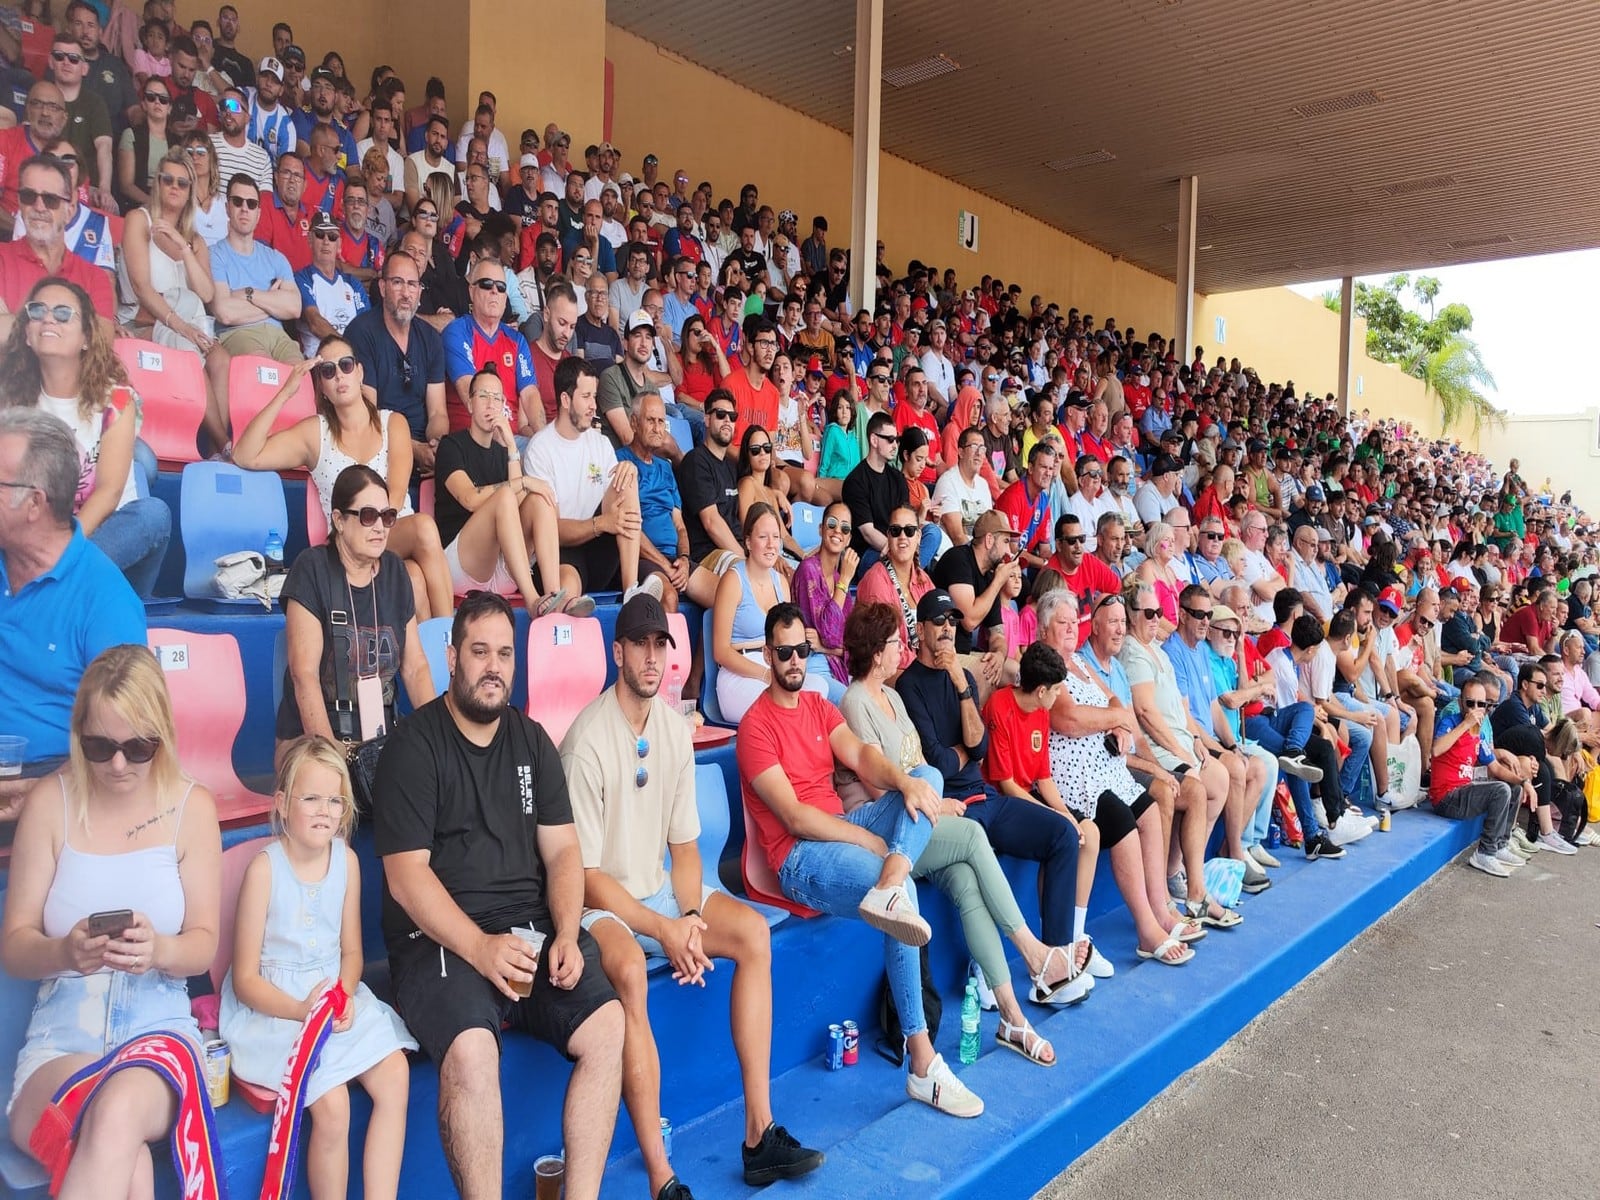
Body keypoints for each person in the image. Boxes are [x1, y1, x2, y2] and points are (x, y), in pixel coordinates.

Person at [560, 595, 824, 1196]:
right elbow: (588, 877)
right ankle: (662, 1175)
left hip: (657, 892)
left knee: (754, 935)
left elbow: (684, 848)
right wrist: (664, 932)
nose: (653, 658)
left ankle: (760, 1133)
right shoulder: (585, 742)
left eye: (662, 646)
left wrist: (687, 917)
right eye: (641, 645)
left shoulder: (675, 730)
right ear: (617, 651)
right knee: (627, 969)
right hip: (601, 904)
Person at [373, 592, 625, 1200]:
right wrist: (481, 949)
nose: (493, 666)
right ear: (452, 656)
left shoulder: (531, 740)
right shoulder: (413, 746)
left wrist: (566, 930)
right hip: (440, 940)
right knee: (472, 1053)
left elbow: (564, 853)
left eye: (504, 654)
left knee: (608, 1024)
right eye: (479, 651)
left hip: (531, 931)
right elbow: (406, 878)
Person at [738, 601, 984, 1117]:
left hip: (845, 830)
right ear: (767, 654)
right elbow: (796, 820)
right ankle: (922, 1063)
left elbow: (863, 757)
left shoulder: (819, 707)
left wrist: (903, 780)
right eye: (783, 652)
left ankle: (892, 878)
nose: (795, 661)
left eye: (802, 650)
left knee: (930, 781)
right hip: (800, 859)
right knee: (903, 895)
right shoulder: (755, 728)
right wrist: (876, 847)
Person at [1, 645, 221, 1194]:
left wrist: (159, 950)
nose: (118, 765)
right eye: (100, 747)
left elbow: (203, 944)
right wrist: (64, 954)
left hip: (158, 1026)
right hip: (60, 1035)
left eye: (137, 747)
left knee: (117, 1113)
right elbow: (15, 945)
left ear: (161, 736)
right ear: (79, 736)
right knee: (128, 1162)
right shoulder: (52, 803)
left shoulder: (192, 809)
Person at [840, 600, 1082, 1059]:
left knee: (969, 882)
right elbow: (879, 782)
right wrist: (938, 801)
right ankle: (1034, 953)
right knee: (972, 835)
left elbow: (946, 758)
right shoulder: (855, 701)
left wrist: (938, 794)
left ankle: (1013, 1017)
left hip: (924, 813)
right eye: (895, 644)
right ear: (876, 652)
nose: (902, 650)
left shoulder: (891, 697)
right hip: (893, 828)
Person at [219, 735, 414, 1200]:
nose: (325, 810)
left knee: (395, 1075)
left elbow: (351, 955)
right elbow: (245, 979)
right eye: (311, 798)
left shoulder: (346, 861)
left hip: (330, 995)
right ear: (283, 804)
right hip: (276, 1010)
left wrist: (343, 994)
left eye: (334, 800)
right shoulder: (264, 871)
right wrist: (300, 1010)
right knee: (332, 1102)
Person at [233, 337, 454, 622]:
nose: (339, 375)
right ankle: (451, 640)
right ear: (322, 386)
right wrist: (286, 392)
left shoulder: (392, 422)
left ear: (360, 372)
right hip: (348, 542)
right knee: (424, 527)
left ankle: (440, 652)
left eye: (346, 365)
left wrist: (380, 531)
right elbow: (245, 455)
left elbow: (395, 498)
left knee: (414, 577)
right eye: (328, 370)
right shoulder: (315, 433)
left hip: (393, 531)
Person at [1035, 590, 1199, 965]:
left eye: (1070, 622)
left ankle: (1160, 908)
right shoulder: (1045, 665)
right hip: (1072, 776)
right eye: (1060, 623)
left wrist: (1121, 726)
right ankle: (1146, 928)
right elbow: (1068, 720)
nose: (1067, 630)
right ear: (1044, 628)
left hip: (1104, 767)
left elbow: (1114, 702)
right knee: (1124, 822)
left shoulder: (1080, 662)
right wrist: (1116, 721)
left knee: (1149, 808)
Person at [0, 407, 146, 814]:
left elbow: (128, 737)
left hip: (54, 785)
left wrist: (46, 790)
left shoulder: (105, 600)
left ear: (34, 503)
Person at [0, 277, 171, 598]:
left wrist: (60, 558)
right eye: (37, 311)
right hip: (33, 542)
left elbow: (108, 494)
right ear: (25, 332)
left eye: (64, 313)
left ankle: (54, 590)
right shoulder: (10, 401)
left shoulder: (117, 400)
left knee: (153, 515)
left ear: (85, 338)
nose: (48, 318)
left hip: (102, 542)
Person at [275, 464, 435, 762]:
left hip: (380, 744)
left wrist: (442, 739)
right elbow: (304, 676)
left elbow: (415, 668)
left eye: (387, 517)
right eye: (367, 515)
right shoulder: (312, 568)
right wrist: (333, 757)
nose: (379, 527)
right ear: (339, 520)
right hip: (314, 743)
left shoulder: (396, 572)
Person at [434, 367, 586, 617]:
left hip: (503, 568)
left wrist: (512, 447)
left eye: (496, 398)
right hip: (461, 566)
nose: (490, 405)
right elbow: (470, 499)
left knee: (539, 499)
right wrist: (523, 482)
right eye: (483, 396)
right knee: (506, 495)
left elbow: (514, 510)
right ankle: (532, 600)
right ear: (470, 403)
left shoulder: (502, 454)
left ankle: (553, 596)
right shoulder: (451, 446)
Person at [114, 146, 230, 453]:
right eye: (168, 180)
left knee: (221, 359)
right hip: (144, 323)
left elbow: (207, 294)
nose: (174, 187)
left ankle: (208, 443)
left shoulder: (194, 239)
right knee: (191, 354)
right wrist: (184, 329)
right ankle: (224, 445)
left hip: (187, 324)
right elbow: (142, 289)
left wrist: (184, 247)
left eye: (182, 182)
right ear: (157, 183)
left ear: (191, 189)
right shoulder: (139, 220)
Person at [522, 356, 659, 602]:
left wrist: (629, 471)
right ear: (565, 400)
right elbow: (548, 527)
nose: (594, 406)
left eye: (594, 397)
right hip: (560, 551)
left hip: (600, 548)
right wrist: (600, 524)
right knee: (568, 591)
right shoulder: (540, 448)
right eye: (586, 397)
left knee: (626, 475)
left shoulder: (601, 442)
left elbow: (617, 505)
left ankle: (631, 591)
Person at [713, 502, 838, 721]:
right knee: (781, 705)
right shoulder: (733, 580)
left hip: (775, 667)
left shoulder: (781, 582)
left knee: (818, 686)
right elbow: (721, 651)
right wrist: (764, 674)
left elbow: (789, 641)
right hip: (739, 675)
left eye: (776, 537)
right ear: (748, 542)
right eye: (763, 537)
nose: (772, 545)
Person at [345, 251, 449, 477]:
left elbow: (438, 412)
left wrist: (435, 447)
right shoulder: (361, 333)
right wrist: (413, 450)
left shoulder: (431, 339)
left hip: (423, 452)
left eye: (412, 284)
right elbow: (366, 415)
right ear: (382, 288)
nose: (406, 293)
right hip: (375, 450)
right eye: (397, 282)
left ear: (420, 292)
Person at [616, 389, 718, 613]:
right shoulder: (620, 462)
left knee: (725, 597)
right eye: (650, 420)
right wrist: (665, 566)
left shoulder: (665, 467)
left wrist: (683, 559)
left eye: (661, 421)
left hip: (674, 561)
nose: (657, 428)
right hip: (642, 559)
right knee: (669, 597)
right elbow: (629, 529)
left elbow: (680, 526)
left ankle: (700, 650)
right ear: (634, 423)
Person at [0, 155, 116, 342]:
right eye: (29, 196)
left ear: (69, 211)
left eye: (50, 199)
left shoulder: (95, 277)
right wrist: (71, 329)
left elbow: (100, 346)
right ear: (20, 204)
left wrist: (13, 322)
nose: (39, 207)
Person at [1427, 677, 1527, 877]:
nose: (1475, 708)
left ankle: (1500, 845)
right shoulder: (1451, 721)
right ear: (1460, 702)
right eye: (1470, 703)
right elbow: (1436, 750)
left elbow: (1496, 768)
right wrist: (1466, 724)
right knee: (1500, 790)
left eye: (1481, 704)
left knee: (1513, 788)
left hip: (1464, 790)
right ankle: (1485, 852)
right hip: (1446, 797)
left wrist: (1524, 782)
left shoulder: (1479, 731)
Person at [208, 171, 301, 363]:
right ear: (227, 208)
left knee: (301, 376)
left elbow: (294, 308)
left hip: (279, 337)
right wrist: (273, 303)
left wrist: (249, 294)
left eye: (251, 204)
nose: (244, 209)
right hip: (237, 334)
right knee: (262, 370)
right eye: (237, 201)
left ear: (258, 213)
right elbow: (224, 312)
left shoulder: (276, 258)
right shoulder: (214, 254)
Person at [792, 499, 858, 686]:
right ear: (821, 529)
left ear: (849, 539)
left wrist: (825, 647)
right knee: (851, 704)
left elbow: (848, 643)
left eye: (845, 528)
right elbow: (830, 634)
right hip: (812, 663)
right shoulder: (809, 569)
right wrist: (845, 581)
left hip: (838, 666)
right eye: (832, 524)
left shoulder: (838, 578)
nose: (838, 531)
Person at [676, 386, 744, 564]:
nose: (727, 420)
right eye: (720, 414)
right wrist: (746, 561)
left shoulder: (730, 467)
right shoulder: (696, 461)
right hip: (708, 554)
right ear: (706, 419)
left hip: (735, 549)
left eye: (732, 416)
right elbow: (711, 523)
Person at [841, 410, 909, 578]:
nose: (895, 446)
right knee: (898, 564)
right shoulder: (855, 481)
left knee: (932, 533)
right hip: (868, 553)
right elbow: (868, 533)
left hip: (898, 546)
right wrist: (899, 552)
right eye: (891, 440)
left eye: (897, 440)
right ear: (874, 440)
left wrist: (906, 548)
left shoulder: (898, 478)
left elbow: (906, 520)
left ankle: (908, 571)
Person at [294, 209, 369, 355]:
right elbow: (315, 322)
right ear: (309, 239)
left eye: (332, 236)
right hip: (319, 360)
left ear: (339, 244)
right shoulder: (301, 278)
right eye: (320, 235)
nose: (326, 241)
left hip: (355, 361)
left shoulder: (352, 284)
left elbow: (366, 326)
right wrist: (348, 349)